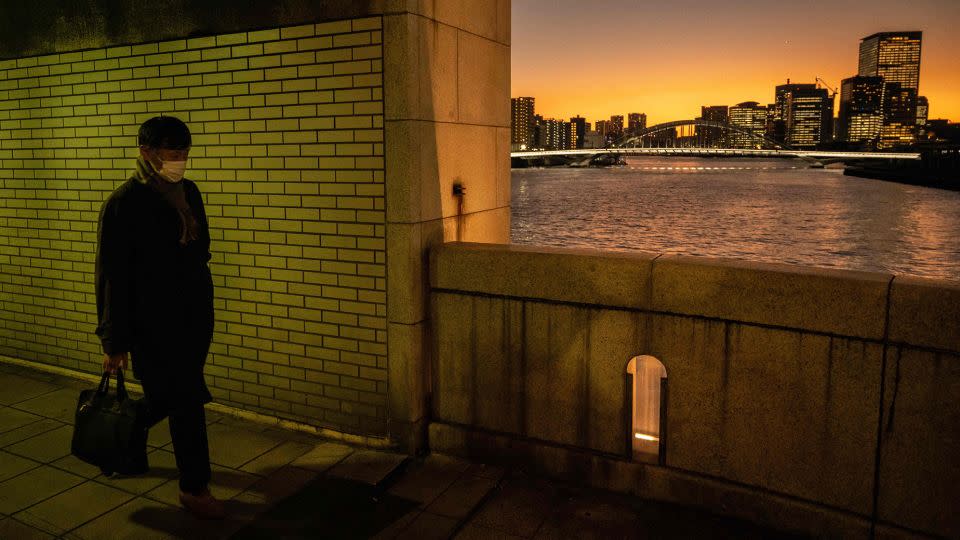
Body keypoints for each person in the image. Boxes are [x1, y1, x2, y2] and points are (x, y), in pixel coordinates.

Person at [95, 115, 223, 519]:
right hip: (152, 324)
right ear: (147, 153)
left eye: (185, 153)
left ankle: (121, 437)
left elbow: (201, 247)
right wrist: (114, 342)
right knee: (186, 400)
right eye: (172, 154)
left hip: (193, 316)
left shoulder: (190, 191)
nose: (180, 161)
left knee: (166, 397)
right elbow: (112, 277)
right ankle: (194, 487)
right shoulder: (124, 203)